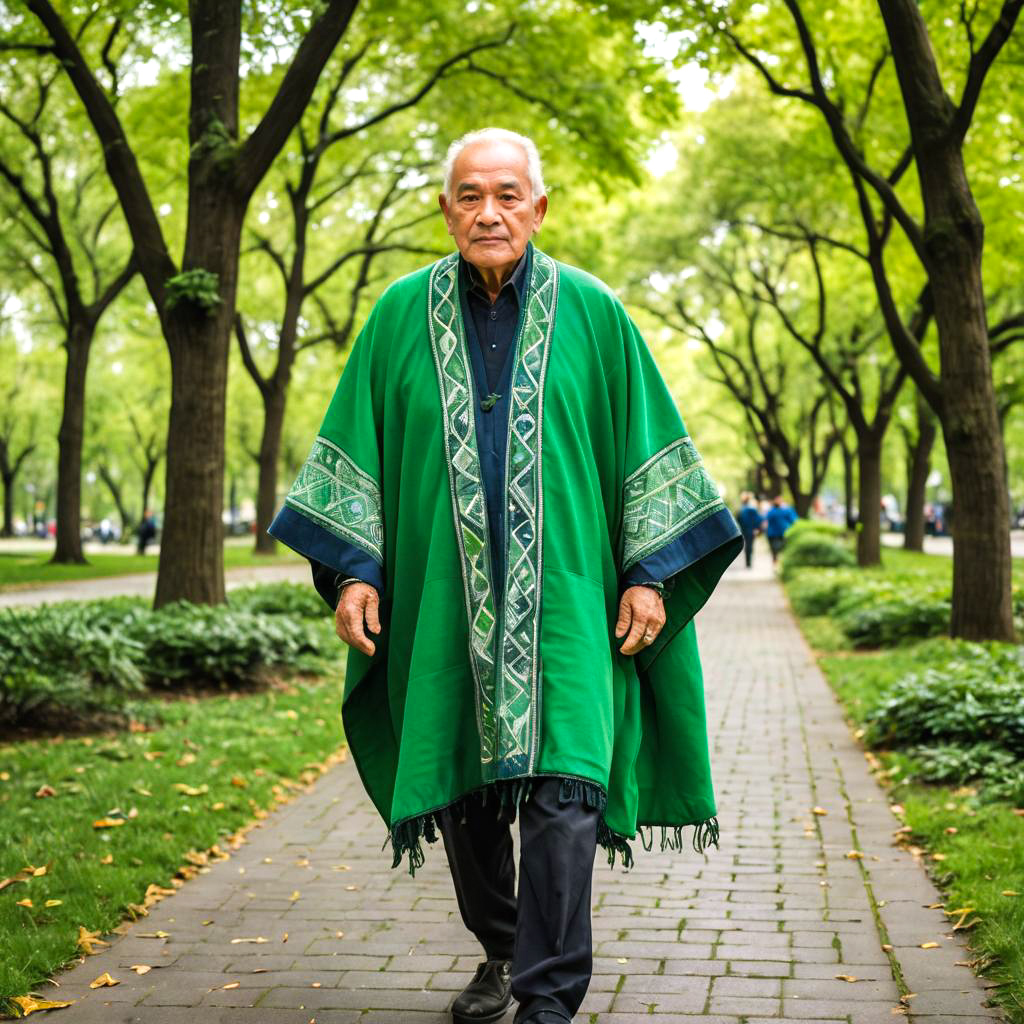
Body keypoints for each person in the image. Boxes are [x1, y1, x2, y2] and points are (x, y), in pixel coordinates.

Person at [269, 128, 742, 1024]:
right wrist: (355, 576)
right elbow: (356, 453)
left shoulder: (596, 313)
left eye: (508, 194)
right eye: (470, 195)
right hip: (442, 608)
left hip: (569, 606)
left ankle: (549, 999)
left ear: (539, 206)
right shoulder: (397, 317)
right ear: (446, 208)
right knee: (468, 797)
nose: (490, 212)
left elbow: (649, 445)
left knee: (566, 794)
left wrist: (647, 575)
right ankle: (501, 949)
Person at [763, 495, 798, 564]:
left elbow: (766, 521)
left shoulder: (772, 511)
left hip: (776, 534)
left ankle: (777, 563)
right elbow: (794, 520)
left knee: (776, 551)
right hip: (779, 534)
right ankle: (778, 563)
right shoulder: (786, 510)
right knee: (781, 550)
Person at [736, 491, 763, 569]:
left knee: (747, 545)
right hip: (749, 530)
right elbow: (758, 519)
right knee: (749, 545)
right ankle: (748, 562)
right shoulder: (751, 509)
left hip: (745, 529)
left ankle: (748, 562)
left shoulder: (742, 508)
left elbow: (738, 519)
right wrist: (757, 528)